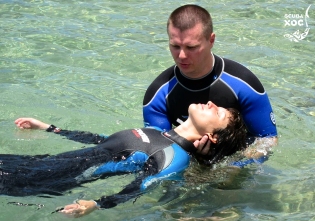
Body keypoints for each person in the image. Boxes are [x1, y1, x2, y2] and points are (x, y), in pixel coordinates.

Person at [5, 102, 246, 218]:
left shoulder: (174, 157)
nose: (212, 104)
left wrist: (97, 204)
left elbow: (140, 187)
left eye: (219, 113)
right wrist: (48, 128)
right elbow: (101, 140)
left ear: (212, 137)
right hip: (42, 162)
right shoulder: (155, 132)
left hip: (53, 177)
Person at [143, 4, 278, 160]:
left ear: (211, 40)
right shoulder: (158, 95)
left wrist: (230, 169)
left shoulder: (244, 84)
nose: (181, 55)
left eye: (191, 47)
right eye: (175, 46)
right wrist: (195, 159)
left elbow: (269, 140)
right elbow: (159, 155)